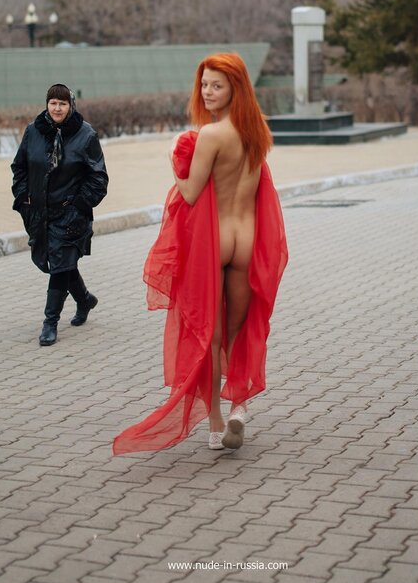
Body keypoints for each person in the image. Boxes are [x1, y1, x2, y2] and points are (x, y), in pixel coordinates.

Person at [113, 52, 288, 455]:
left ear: (234, 88)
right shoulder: (257, 131)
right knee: (239, 331)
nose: (207, 92)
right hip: (247, 239)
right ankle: (240, 406)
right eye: (204, 84)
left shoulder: (211, 135)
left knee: (210, 337)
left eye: (216, 85)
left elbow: (191, 192)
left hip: (216, 242)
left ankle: (215, 424)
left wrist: (174, 159)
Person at [11, 83, 108, 347]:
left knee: (61, 266)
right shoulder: (33, 131)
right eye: (53, 103)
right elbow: (19, 167)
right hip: (39, 213)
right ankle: (85, 299)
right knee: (60, 263)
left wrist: (78, 204)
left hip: (70, 214)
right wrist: (23, 197)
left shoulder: (85, 135)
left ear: (70, 106)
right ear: (47, 104)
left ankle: (50, 322)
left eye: (62, 104)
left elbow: (98, 178)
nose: (57, 108)